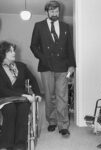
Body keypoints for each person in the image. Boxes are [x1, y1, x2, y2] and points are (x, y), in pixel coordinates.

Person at [30, 0, 76, 137]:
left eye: (57, 11)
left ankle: (63, 125)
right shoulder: (39, 26)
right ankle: (51, 121)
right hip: (46, 66)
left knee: (62, 96)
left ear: (59, 12)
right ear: (47, 12)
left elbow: (69, 47)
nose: (55, 13)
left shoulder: (66, 26)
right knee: (49, 96)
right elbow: (33, 46)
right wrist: (43, 58)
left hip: (62, 66)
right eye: (52, 11)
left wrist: (72, 65)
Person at [0, 41, 41, 150]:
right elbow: (2, 90)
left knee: (23, 111)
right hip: (6, 98)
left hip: (22, 98)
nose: (14, 53)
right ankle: (6, 144)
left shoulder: (21, 66)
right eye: (10, 51)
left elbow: (33, 79)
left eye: (14, 50)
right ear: (3, 53)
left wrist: (37, 94)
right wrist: (23, 94)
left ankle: (20, 145)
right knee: (10, 110)